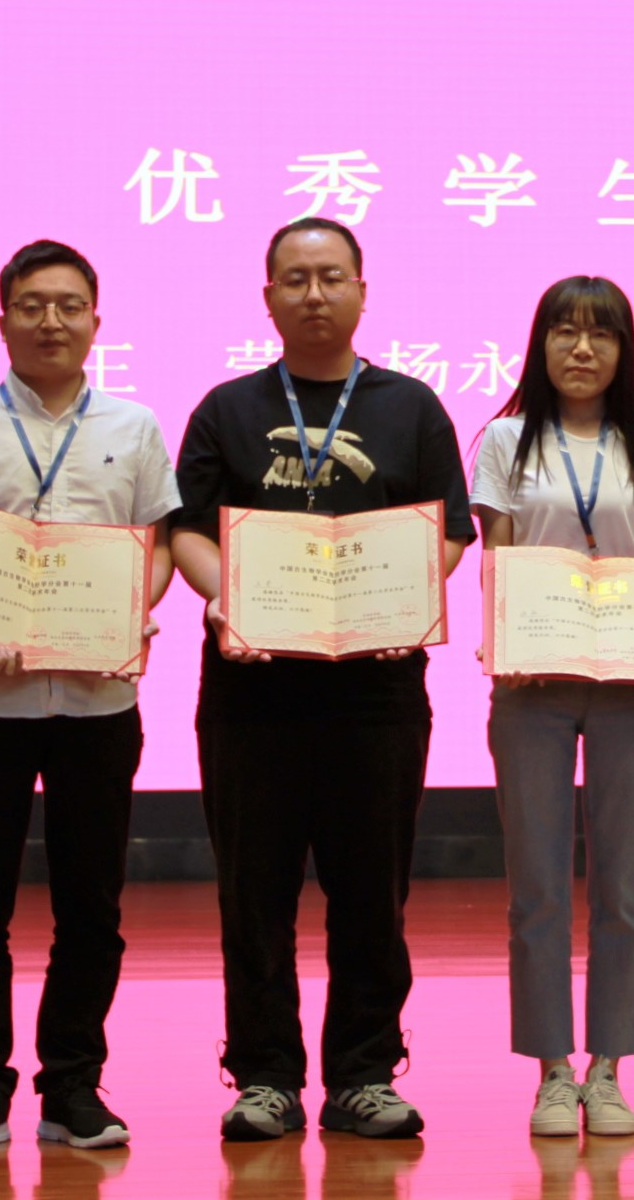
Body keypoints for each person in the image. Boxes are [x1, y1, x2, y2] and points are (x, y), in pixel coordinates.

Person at [169, 217, 475, 1142]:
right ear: (267, 297)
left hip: (376, 693)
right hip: (252, 692)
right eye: (295, 279)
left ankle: (363, 1074)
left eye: (331, 276)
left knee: (371, 892)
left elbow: (447, 531)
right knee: (252, 893)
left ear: (361, 291)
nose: (313, 293)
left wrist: (401, 601)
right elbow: (188, 530)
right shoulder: (225, 407)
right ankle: (263, 1075)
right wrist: (228, 599)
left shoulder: (410, 405)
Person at [0, 241, 180, 1155]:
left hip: (98, 702)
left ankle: (72, 1085)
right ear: (3, 320)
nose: (50, 321)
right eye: (31, 305)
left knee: (90, 905)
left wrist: (129, 611)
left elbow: (156, 546)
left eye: (67, 305)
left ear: (96, 320)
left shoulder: (134, 425)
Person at [470, 276, 634, 1139]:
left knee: (624, 885)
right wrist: (508, 639)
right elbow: (496, 557)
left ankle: (609, 1068)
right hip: (532, 683)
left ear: (624, 350)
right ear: (540, 343)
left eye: (601, 333)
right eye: (564, 330)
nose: (582, 348)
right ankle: (551, 1071)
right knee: (536, 885)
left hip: (630, 685)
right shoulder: (504, 439)